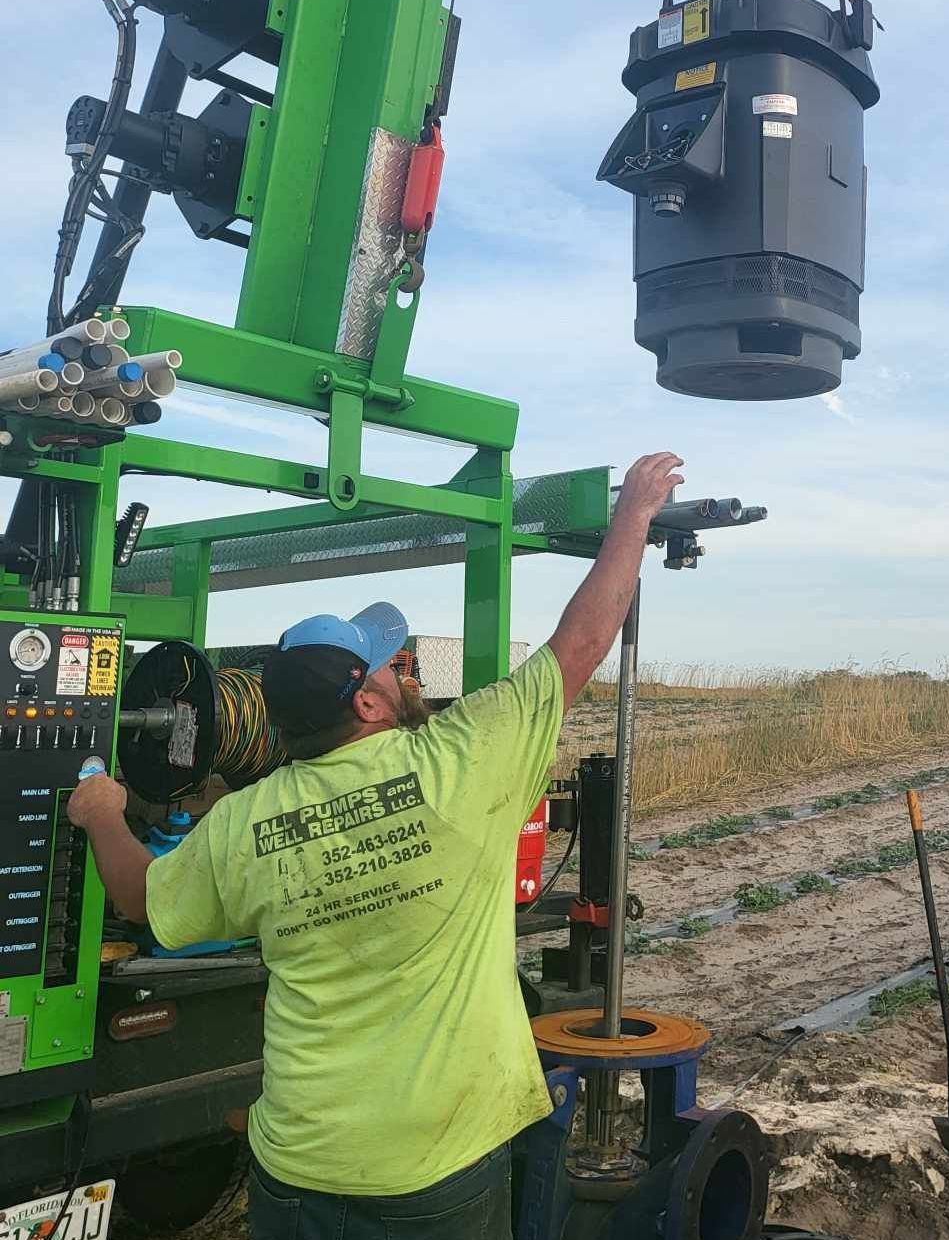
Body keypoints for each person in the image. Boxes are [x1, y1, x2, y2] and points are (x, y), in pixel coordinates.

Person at [67, 452, 685, 1240]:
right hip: (433, 1173)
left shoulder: (242, 824)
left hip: (297, 1171)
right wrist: (632, 514)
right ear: (365, 700)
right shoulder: (458, 761)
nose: (405, 672)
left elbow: (139, 899)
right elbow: (584, 638)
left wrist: (100, 814)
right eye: (391, 667)